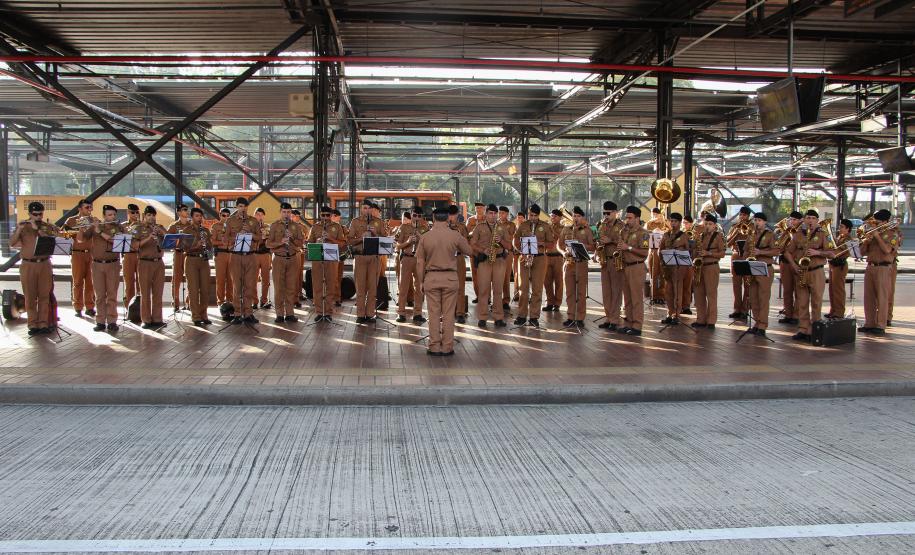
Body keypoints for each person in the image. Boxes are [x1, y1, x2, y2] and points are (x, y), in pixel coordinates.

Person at [415, 207, 473, 355]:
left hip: (431, 278)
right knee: (448, 314)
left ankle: (434, 346)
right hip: (450, 278)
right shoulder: (455, 235)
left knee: (433, 314)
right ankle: (447, 347)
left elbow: (420, 262)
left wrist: (421, 281)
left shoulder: (425, 237)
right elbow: (469, 251)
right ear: (447, 219)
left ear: (433, 219)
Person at [784, 209, 835, 341]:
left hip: (816, 271)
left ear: (817, 220)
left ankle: (815, 329)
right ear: (804, 220)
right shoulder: (798, 234)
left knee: (816, 302)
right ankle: (803, 329)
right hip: (801, 271)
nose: (810, 220)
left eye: (813, 218)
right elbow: (788, 252)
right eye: (808, 218)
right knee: (802, 301)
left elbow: (831, 253)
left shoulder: (824, 234)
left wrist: (817, 253)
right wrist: (794, 266)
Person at [10, 201, 59, 335]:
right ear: (30, 214)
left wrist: (36, 228)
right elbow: (12, 243)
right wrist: (19, 229)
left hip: (44, 263)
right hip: (28, 264)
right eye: (35, 214)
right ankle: (32, 324)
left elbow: (51, 237)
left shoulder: (46, 226)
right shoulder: (23, 226)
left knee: (44, 295)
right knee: (30, 296)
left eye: (40, 214)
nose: (38, 216)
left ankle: (43, 323)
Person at [83, 205, 125, 331]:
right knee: (100, 294)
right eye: (109, 215)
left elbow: (115, 241)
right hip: (97, 264)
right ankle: (100, 321)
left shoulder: (118, 227)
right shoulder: (96, 226)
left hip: (113, 264)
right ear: (103, 216)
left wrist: (100, 232)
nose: (112, 217)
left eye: (113, 215)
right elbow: (80, 239)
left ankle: (112, 321)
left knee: (112, 294)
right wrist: (85, 227)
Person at [470, 203, 512, 328]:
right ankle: (482, 317)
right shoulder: (479, 227)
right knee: (483, 291)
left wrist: (502, 241)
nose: (493, 216)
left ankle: (498, 317)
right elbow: (472, 243)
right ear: (486, 214)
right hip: (484, 261)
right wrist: (483, 250)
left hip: (499, 261)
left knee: (498, 291)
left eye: (495, 213)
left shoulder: (502, 228)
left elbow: (509, 246)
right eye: (490, 213)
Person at [512, 204, 553, 327]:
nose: (533, 217)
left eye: (535, 215)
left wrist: (540, 243)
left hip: (540, 258)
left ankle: (534, 317)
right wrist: (521, 251)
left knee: (537, 289)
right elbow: (515, 239)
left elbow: (551, 244)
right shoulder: (523, 225)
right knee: (522, 288)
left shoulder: (545, 226)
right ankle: (521, 316)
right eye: (531, 215)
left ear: (538, 215)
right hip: (524, 257)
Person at [348, 199, 388, 323]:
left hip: (374, 257)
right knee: (360, 287)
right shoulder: (355, 222)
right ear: (361, 209)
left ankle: (370, 314)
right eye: (364, 208)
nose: (367, 210)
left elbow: (386, 240)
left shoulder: (379, 222)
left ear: (372, 209)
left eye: (369, 208)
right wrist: (361, 238)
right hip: (360, 256)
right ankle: (360, 315)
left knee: (372, 287)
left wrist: (375, 234)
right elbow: (349, 240)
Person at [859, 209, 899, 336]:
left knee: (882, 296)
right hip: (870, 266)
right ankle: (869, 323)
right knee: (869, 297)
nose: (874, 224)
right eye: (874, 222)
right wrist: (866, 241)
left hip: (883, 267)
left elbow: (887, 250)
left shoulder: (892, 234)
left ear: (886, 222)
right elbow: (862, 252)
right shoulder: (872, 234)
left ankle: (881, 325)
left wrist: (877, 236)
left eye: (878, 222)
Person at [225, 197, 263, 324]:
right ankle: (237, 313)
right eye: (240, 206)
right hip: (236, 256)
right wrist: (240, 234)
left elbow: (260, 237)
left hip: (251, 256)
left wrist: (251, 235)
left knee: (249, 285)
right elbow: (225, 239)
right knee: (237, 286)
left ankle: (248, 313)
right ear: (237, 207)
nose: (243, 209)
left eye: (245, 206)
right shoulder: (230, 221)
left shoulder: (253, 221)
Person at [265, 202, 305, 323]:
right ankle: (279, 314)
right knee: (279, 288)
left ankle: (290, 313)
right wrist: (280, 242)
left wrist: (292, 237)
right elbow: (268, 244)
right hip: (278, 258)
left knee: (291, 287)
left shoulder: (296, 226)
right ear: (280, 212)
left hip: (293, 258)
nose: (286, 214)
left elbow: (300, 243)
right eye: (284, 212)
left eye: (288, 212)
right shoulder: (274, 226)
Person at [556, 206, 595, 329]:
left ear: (582, 218)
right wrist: (563, 252)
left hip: (581, 263)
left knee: (581, 292)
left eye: (578, 216)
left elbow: (593, 246)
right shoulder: (566, 229)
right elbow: (559, 244)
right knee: (569, 292)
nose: (576, 218)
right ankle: (570, 316)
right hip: (568, 263)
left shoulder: (587, 230)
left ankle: (580, 318)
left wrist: (583, 246)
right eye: (574, 216)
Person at [306, 206, 347, 322]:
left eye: (327, 215)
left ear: (331, 215)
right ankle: (319, 312)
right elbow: (309, 243)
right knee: (317, 286)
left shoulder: (337, 227)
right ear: (320, 215)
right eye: (323, 215)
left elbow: (343, 244)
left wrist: (330, 239)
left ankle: (328, 312)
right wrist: (317, 242)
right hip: (318, 259)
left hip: (331, 260)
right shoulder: (315, 227)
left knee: (331, 285)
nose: (325, 218)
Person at [617, 206, 650, 336]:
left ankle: (637, 325)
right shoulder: (624, 231)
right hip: (625, 266)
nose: (627, 220)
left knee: (636, 297)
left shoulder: (643, 233)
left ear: (637, 218)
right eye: (626, 217)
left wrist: (628, 248)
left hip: (637, 266)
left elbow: (644, 253)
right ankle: (629, 323)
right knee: (628, 298)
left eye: (630, 218)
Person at [746, 212, 779, 336]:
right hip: (752, 268)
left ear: (764, 222)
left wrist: (761, 252)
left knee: (763, 298)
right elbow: (746, 250)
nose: (757, 222)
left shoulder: (770, 235)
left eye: (759, 220)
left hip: (765, 268)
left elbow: (776, 251)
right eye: (755, 220)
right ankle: (756, 322)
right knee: (753, 298)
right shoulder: (751, 235)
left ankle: (763, 326)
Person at [690, 213, 725, 330]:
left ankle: (711, 321)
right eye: (706, 224)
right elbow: (695, 251)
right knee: (699, 294)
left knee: (711, 294)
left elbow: (722, 253)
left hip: (712, 266)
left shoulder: (719, 236)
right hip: (700, 267)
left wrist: (709, 253)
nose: (707, 226)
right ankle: (700, 319)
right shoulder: (700, 236)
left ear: (715, 225)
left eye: (710, 224)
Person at [63, 198, 97, 317]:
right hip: (77, 253)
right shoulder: (71, 220)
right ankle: (77, 307)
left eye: (91, 207)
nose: (90, 210)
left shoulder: (93, 220)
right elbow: (64, 234)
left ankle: (90, 306)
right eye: (87, 207)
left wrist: (95, 226)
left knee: (90, 282)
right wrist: (79, 228)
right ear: (80, 209)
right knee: (77, 281)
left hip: (91, 253)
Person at [135, 206, 167, 329]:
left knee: (158, 292)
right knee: (145, 292)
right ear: (144, 216)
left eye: (153, 215)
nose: (152, 217)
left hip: (159, 262)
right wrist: (149, 237)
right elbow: (134, 245)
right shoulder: (138, 228)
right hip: (145, 262)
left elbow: (171, 239)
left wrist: (161, 232)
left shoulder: (160, 227)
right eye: (149, 215)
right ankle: (146, 319)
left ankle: (157, 319)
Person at [596, 201, 625, 330]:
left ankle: (615, 319)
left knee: (616, 291)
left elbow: (624, 242)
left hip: (616, 260)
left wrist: (610, 241)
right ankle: (608, 317)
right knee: (606, 292)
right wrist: (598, 248)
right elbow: (599, 240)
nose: (606, 215)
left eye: (608, 213)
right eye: (604, 213)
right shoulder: (602, 225)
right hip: (604, 261)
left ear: (615, 213)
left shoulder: (622, 226)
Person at [394, 209, 426, 323]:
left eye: (419, 215)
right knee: (403, 287)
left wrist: (420, 237)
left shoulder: (424, 229)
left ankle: (418, 313)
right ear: (411, 216)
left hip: (419, 260)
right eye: (415, 215)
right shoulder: (403, 227)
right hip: (407, 258)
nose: (417, 217)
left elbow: (428, 245)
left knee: (419, 288)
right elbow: (397, 246)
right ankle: (401, 313)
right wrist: (408, 242)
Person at [184, 208, 212, 327]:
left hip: (204, 260)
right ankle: (195, 316)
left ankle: (204, 314)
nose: (199, 218)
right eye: (196, 216)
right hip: (191, 259)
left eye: (200, 216)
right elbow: (184, 248)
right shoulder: (186, 230)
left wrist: (207, 244)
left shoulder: (205, 230)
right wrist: (197, 245)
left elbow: (210, 247)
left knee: (205, 289)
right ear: (192, 217)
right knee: (193, 289)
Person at [660, 213, 690, 326]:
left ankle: (676, 315)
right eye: (671, 221)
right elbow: (661, 249)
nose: (673, 223)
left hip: (679, 267)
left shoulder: (684, 235)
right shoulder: (666, 235)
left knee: (678, 290)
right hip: (668, 266)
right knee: (668, 291)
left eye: (675, 221)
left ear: (679, 222)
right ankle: (669, 313)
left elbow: (688, 251)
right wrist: (662, 263)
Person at [726, 206, 753, 320]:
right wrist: (736, 233)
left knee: (747, 284)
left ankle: (745, 309)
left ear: (748, 216)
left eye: (745, 215)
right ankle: (737, 309)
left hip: (747, 256)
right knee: (736, 284)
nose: (742, 217)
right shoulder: (734, 227)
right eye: (741, 215)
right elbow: (728, 243)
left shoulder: (752, 227)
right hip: (736, 255)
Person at [777, 211, 803, 325]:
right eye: (791, 219)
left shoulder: (802, 232)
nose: (792, 222)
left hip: (797, 262)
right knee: (787, 290)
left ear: (800, 221)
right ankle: (788, 314)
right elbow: (779, 246)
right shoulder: (787, 231)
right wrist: (785, 234)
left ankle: (796, 315)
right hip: (785, 262)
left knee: (798, 290)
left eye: (795, 220)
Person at [167, 204, 193, 311]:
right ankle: (176, 304)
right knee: (176, 279)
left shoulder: (191, 225)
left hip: (188, 254)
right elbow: (168, 242)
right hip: (178, 254)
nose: (187, 211)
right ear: (178, 213)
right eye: (184, 210)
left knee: (191, 279)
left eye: (187, 209)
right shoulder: (173, 226)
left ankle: (189, 303)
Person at [447, 204, 470, 323]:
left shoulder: (462, 227)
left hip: (459, 258)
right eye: (449, 215)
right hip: (446, 259)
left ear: (457, 215)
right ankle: (446, 312)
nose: (451, 217)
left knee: (460, 286)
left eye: (453, 215)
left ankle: (460, 312)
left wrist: (459, 233)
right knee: (446, 287)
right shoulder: (443, 227)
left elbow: (466, 243)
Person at [826, 219, 853, 320]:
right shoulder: (840, 237)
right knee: (832, 289)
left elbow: (838, 251)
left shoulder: (848, 239)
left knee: (838, 290)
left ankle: (839, 312)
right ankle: (833, 310)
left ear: (848, 229)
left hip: (840, 265)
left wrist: (831, 249)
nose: (839, 228)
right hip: (833, 264)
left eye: (842, 227)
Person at [211, 208, 234, 305]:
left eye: (228, 215)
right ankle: (220, 301)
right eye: (223, 215)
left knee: (231, 279)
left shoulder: (232, 227)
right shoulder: (216, 226)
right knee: (220, 279)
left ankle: (230, 301)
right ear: (220, 215)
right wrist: (222, 242)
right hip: (220, 254)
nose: (226, 217)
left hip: (231, 254)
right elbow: (212, 241)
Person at [542, 208, 564, 312]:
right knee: (547, 281)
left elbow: (563, 241)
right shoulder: (546, 227)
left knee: (559, 281)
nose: (552, 218)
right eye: (551, 216)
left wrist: (555, 233)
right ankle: (549, 302)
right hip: (547, 255)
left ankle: (557, 303)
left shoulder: (563, 228)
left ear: (560, 218)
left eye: (555, 216)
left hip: (558, 256)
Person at [646, 207, 668, 305]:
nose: (655, 215)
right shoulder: (649, 223)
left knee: (663, 274)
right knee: (653, 274)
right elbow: (645, 235)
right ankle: (653, 296)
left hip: (663, 251)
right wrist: (652, 222)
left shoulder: (665, 222)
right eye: (653, 214)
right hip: (653, 251)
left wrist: (664, 222)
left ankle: (662, 296)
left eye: (656, 214)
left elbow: (670, 233)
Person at [121, 203, 141, 306]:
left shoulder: (142, 225)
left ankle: (140, 307)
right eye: (132, 212)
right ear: (128, 213)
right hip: (128, 255)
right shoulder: (123, 225)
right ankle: (129, 306)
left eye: (137, 212)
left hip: (140, 255)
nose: (135, 214)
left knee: (140, 283)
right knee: (129, 283)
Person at [253, 207, 272, 310]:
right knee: (253, 279)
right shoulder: (251, 227)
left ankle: (264, 300)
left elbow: (271, 241)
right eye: (257, 214)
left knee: (266, 279)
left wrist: (266, 238)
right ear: (254, 215)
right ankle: (254, 301)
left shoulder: (268, 227)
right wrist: (259, 237)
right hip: (254, 254)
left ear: (264, 216)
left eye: (261, 214)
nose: (259, 216)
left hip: (265, 254)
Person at [497, 206, 516, 311]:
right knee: (496, 278)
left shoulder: (511, 225)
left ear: (507, 214)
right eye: (499, 213)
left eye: (503, 213)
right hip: (497, 253)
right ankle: (496, 300)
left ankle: (506, 300)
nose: (501, 215)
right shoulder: (495, 224)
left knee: (506, 277)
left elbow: (512, 239)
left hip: (507, 254)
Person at [466, 202, 485, 303]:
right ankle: (478, 295)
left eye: (480, 208)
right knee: (475, 275)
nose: (479, 209)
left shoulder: (487, 219)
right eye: (477, 208)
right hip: (474, 251)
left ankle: (487, 297)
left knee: (486, 275)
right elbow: (466, 233)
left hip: (484, 251)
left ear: (484, 209)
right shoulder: (471, 219)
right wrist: (472, 233)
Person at [681, 215, 695, 315]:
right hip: (681, 262)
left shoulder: (695, 233)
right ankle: (680, 305)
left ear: (691, 223)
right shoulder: (681, 233)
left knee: (688, 286)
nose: (684, 224)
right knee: (680, 285)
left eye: (686, 223)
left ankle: (686, 306)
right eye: (683, 222)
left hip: (690, 261)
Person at [331, 208, 346, 307]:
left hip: (339, 255)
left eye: (333, 216)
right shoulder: (326, 226)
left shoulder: (342, 227)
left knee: (337, 277)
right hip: (329, 255)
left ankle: (337, 297)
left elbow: (345, 241)